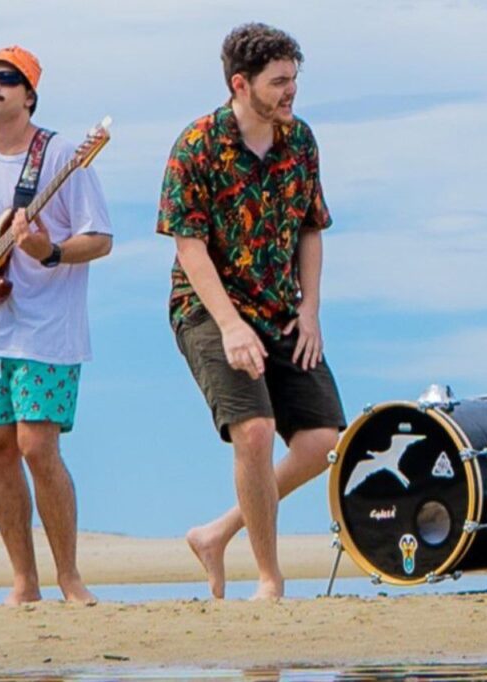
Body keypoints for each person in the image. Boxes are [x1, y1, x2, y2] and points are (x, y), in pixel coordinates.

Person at [156, 23, 346, 600]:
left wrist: (310, 309)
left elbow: (312, 228)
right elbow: (188, 246)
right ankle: (269, 579)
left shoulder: (301, 140)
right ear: (241, 84)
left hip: (281, 308)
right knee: (257, 431)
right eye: (279, 81)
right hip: (208, 307)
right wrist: (231, 326)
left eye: (294, 79)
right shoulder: (197, 145)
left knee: (321, 442)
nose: (290, 91)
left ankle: (216, 534)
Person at [0, 46, 112, 605]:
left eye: (7, 79)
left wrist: (51, 250)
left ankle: (69, 577)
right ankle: (23, 581)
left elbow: (101, 237)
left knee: (38, 446)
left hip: (48, 331)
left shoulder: (61, 156)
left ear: (29, 95)